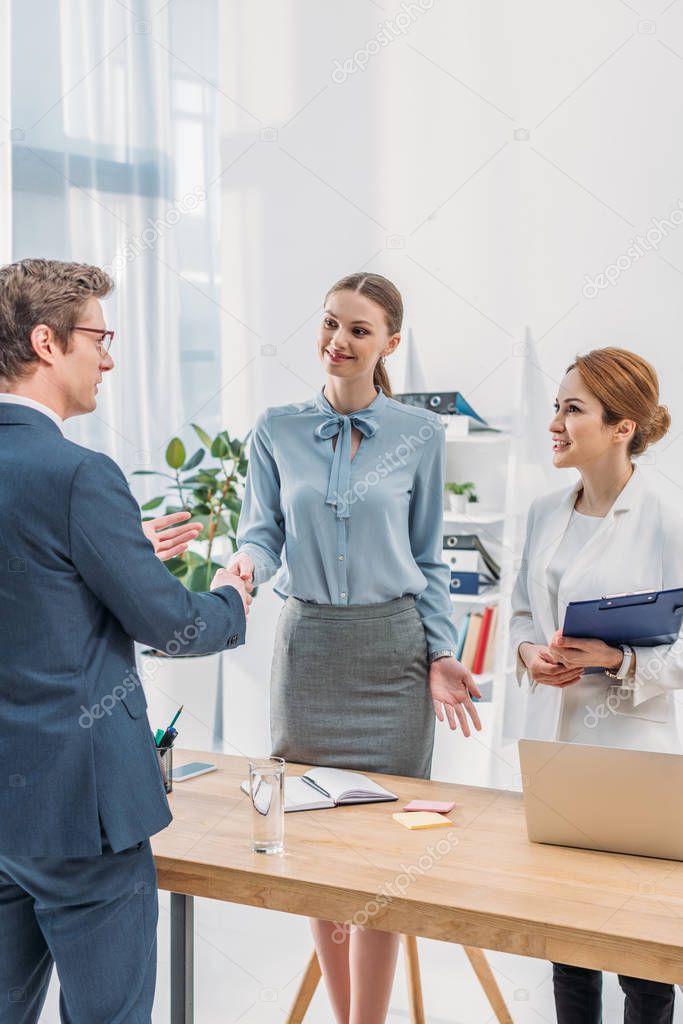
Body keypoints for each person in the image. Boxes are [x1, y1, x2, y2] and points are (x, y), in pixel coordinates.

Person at [0, 259, 251, 1023]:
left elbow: (29, 583)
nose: (108, 358)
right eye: (99, 338)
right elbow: (172, 625)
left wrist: (112, 550)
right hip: (81, 813)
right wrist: (232, 598)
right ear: (47, 342)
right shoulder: (78, 474)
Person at [228, 272, 481, 1024]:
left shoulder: (419, 435)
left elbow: (430, 555)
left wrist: (439, 651)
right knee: (315, 847)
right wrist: (246, 565)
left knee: (387, 853)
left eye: (358, 331)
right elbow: (262, 531)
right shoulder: (275, 429)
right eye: (331, 324)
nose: (337, 341)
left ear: (389, 345)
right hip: (308, 652)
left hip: (393, 656)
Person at [510, 346, 681, 1024]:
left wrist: (618, 660)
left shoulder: (668, 517)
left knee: (642, 953)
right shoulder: (542, 513)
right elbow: (524, 611)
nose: (553, 422)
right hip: (555, 748)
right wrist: (529, 652)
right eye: (555, 406)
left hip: (634, 753)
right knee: (566, 944)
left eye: (571, 409)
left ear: (622, 427)